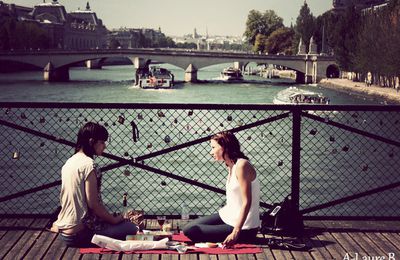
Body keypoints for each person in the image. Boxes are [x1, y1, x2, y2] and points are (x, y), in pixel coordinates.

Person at [51, 122, 138, 247]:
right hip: (81, 234)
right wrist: (114, 219)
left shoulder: (69, 162)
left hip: (64, 233)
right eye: (102, 142)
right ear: (92, 142)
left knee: (118, 223)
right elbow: (93, 205)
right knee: (132, 227)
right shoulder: (90, 166)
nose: (105, 146)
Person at [183, 131, 260, 247]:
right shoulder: (231, 165)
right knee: (189, 228)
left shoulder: (242, 166)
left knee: (192, 231)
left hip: (244, 228)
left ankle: (231, 237)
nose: (211, 152)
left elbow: (247, 202)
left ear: (224, 147)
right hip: (228, 216)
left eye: (213, 147)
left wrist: (235, 232)